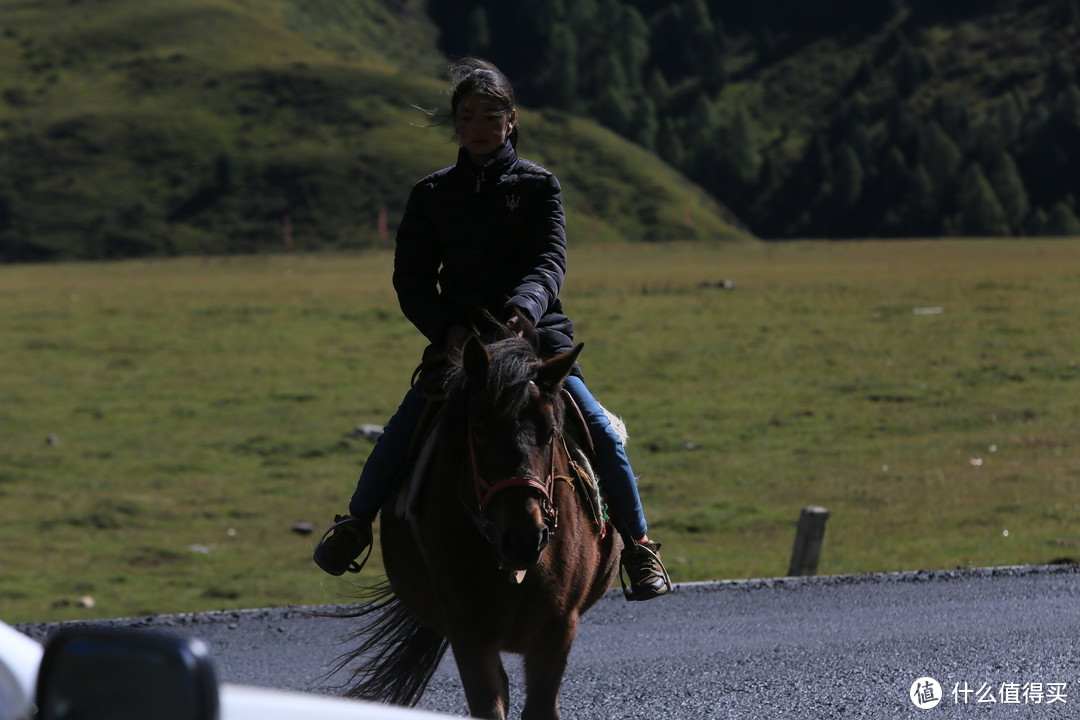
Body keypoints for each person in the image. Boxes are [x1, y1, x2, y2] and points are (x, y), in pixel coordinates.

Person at [313, 58, 671, 601]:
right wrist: (449, 330)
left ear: (511, 120)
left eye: (491, 114)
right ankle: (355, 525)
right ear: (455, 123)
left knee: (598, 430)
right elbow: (410, 279)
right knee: (402, 430)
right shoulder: (431, 194)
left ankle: (640, 548)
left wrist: (523, 312)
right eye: (468, 115)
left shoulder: (539, 187)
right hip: (463, 352)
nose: (480, 125)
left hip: (535, 343)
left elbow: (549, 261)